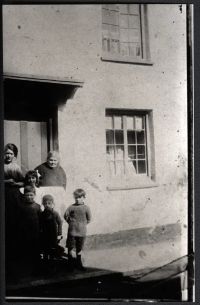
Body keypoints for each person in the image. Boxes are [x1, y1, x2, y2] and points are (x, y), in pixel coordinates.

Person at [4, 143, 24, 263]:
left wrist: (16, 184)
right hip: (3, 195)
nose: (8, 156)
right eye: (6, 153)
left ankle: (14, 253)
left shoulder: (16, 167)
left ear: (14, 155)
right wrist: (6, 181)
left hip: (14, 196)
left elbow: (23, 182)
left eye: (11, 154)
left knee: (13, 221)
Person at [64, 188, 91, 270]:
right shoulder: (71, 207)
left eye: (79, 197)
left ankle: (79, 263)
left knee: (79, 248)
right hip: (72, 232)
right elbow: (65, 216)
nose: (77, 199)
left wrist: (82, 224)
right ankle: (70, 265)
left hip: (82, 232)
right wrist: (71, 223)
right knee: (70, 248)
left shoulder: (86, 208)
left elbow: (89, 219)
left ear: (83, 197)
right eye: (76, 197)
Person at [34, 151, 67, 218]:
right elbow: (34, 180)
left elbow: (64, 182)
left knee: (56, 209)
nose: (53, 162)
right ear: (47, 159)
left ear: (58, 161)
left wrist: (62, 192)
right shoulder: (40, 168)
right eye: (51, 160)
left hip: (57, 193)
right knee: (44, 209)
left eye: (55, 160)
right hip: (44, 192)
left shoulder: (60, 169)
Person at [18, 186, 42, 274]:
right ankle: (27, 268)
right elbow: (19, 219)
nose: (29, 197)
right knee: (26, 250)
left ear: (34, 195)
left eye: (31, 195)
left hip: (36, 233)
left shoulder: (37, 206)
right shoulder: (21, 207)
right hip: (25, 233)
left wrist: (41, 230)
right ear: (24, 195)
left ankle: (37, 269)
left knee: (36, 251)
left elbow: (41, 219)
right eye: (27, 195)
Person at [40, 194, 63, 260]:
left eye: (49, 203)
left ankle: (52, 265)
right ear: (43, 204)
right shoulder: (42, 214)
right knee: (45, 251)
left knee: (53, 251)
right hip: (44, 236)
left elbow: (60, 223)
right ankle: (45, 265)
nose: (47, 205)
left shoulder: (55, 213)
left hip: (53, 235)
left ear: (52, 203)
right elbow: (40, 224)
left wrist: (59, 234)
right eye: (45, 203)